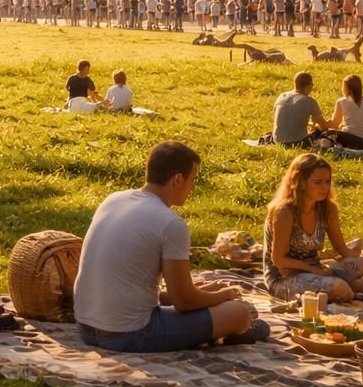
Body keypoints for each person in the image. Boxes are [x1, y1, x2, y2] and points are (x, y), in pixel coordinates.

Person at [74, 141, 268, 352]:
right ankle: (237, 330)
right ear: (177, 179)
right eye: (192, 180)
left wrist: (204, 292)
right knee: (239, 313)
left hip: (85, 327)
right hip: (128, 334)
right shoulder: (170, 223)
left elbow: (141, 288)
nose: (193, 187)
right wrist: (225, 295)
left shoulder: (113, 199)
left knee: (213, 305)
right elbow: (183, 301)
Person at [263, 153, 363, 302]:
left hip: (316, 269)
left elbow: (342, 249)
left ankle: (351, 289)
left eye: (327, 182)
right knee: (340, 288)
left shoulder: (327, 209)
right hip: (284, 278)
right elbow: (279, 260)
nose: (324, 188)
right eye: (317, 182)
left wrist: (353, 251)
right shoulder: (285, 212)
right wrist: (314, 270)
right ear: (301, 182)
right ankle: (349, 292)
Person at [326, 74, 363, 150]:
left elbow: (335, 123)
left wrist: (321, 124)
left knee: (328, 134)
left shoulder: (341, 102)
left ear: (347, 88)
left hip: (350, 138)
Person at [271, 71, 327, 147]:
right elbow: (324, 126)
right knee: (320, 133)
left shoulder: (281, 96)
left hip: (276, 141)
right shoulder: (309, 101)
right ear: (309, 85)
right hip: (297, 142)